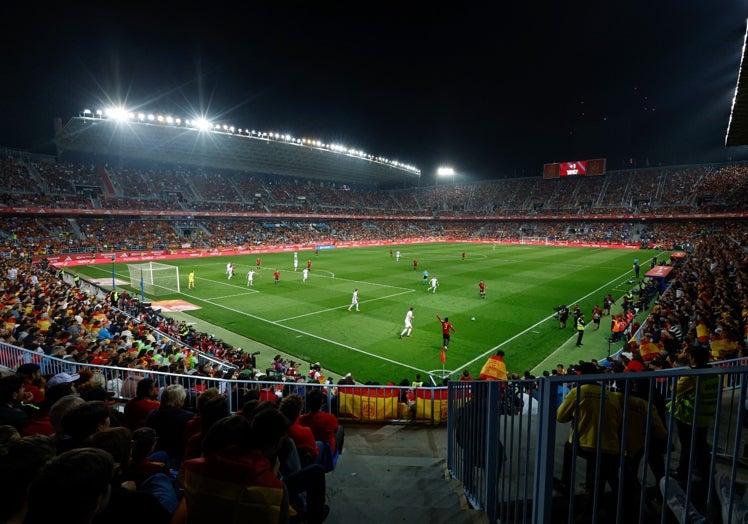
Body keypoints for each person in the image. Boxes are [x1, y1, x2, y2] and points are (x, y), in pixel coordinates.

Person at [555, 362, 622, 522]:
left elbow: (560, 416)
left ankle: (567, 484)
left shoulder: (578, 392)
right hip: (610, 444)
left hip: (586, 444)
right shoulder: (609, 394)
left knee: (569, 447)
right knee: (601, 472)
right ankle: (608, 504)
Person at [668, 345, 719, 482]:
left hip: (688, 415)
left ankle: (683, 472)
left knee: (687, 446)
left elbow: (674, 390)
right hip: (705, 415)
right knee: (701, 444)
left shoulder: (691, 375)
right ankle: (704, 471)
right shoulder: (714, 373)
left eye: (689, 356)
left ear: (693, 358)